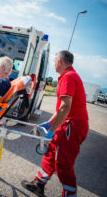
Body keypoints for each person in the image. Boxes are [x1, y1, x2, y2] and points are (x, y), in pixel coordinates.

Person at [22, 50, 89, 197]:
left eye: (54, 61)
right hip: (69, 123)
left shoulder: (69, 77)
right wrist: (49, 123)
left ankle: (70, 194)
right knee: (51, 152)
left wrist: (52, 129)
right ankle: (39, 184)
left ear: (60, 62)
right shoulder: (68, 75)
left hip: (73, 125)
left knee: (63, 163)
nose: (53, 64)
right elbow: (61, 109)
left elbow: (66, 107)